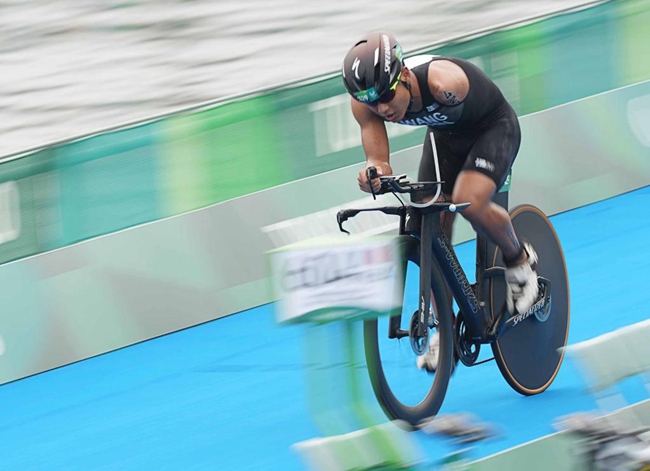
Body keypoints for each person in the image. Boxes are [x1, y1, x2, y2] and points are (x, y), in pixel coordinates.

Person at [341, 31, 539, 372]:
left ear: (404, 74)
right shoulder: (366, 101)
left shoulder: (444, 84)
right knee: (425, 228)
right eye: (373, 103)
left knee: (468, 199)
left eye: (387, 96)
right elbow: (378, 159)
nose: (383, 108)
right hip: (445, 135)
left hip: (492, 128)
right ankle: (445, 332)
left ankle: (520, 261)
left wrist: (460, 185)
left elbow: (470, 112)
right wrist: (374, 172)